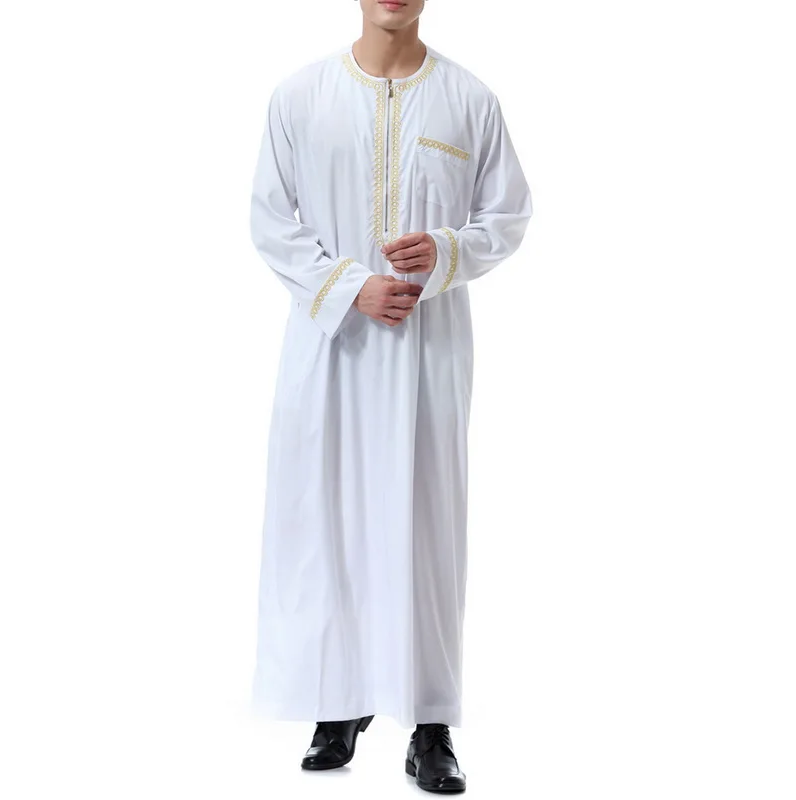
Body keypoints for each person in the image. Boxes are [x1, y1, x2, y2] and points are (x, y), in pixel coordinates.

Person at [248, 0, 532, 792]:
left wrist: (444, 250)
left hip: (428, 349)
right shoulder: (300, 96)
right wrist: (349, 287)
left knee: (428, 526)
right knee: (328, 518)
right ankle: (337, 703)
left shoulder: (469, 99)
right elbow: (270, 220)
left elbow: (508, 215)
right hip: (330, 345)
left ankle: (431, 724)